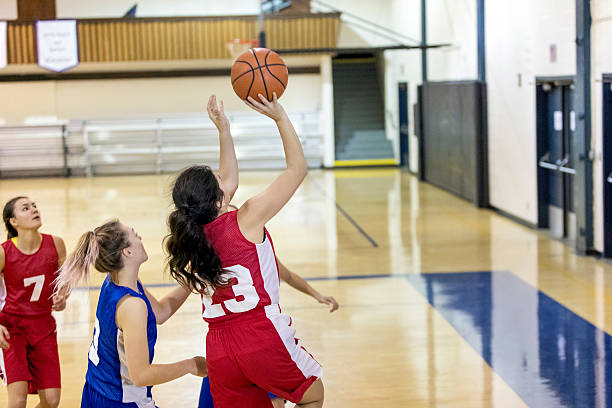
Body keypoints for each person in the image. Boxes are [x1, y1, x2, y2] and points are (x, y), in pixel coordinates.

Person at [165, 93, 324, 408]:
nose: (226, 179)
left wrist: (223, 128)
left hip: (220, 349)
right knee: (312, 394)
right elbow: (297, 169)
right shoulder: (246, 218)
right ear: (217, 199)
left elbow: (230, 181)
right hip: (260, 334)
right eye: (218, 179)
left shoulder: (191, 238)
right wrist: (280, 117)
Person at [54, 219, 207, 407]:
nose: (140, 237)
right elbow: (141, 376)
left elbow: (160, 312)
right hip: (121, 400)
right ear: (127, 252)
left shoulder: (116, 280)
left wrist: (192, 281)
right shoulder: (132, 305)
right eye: (135, 234)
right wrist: (191, 365)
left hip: (96, 390)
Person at [198, 224, 339, 408]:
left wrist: (316, 294)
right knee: (302, 396)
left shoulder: (204, 260)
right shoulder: (236, 253)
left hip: (225, 349)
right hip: (258, 340)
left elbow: (287, 275)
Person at [0, 196, 67, 408]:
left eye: (35, 206)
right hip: (12, 328)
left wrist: (62, 296)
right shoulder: (3, 252)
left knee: (51, 400)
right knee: (18, 400)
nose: (34, 210)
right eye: (25, 208)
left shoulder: (55, 244)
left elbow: (63, 282)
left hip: (44, 326)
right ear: (14, 221)